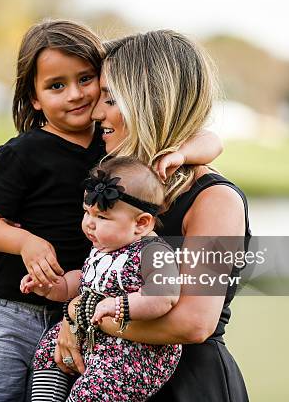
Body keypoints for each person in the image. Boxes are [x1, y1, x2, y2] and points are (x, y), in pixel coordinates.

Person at [0, 19, 222, 402]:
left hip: (115, 341)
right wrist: (20, 241)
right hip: (13, 304)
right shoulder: (32, 152)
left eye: (96, 88)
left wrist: (79, 314)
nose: (86, 104)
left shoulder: (128, 166)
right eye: (57, 86)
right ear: (34, 98)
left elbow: (209, 138)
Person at [53, 30, 250, 402]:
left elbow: (194, 322)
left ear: (150, 103)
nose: (97, 114)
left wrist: (81, 315)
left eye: (110, 99)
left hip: (185, 388)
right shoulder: (117, 183)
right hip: (106, 374)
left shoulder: (215, 199)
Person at [23, 157, 182, 402]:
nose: (89, 224)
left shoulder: (153, 251)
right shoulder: (105, 247)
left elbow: (165, 296)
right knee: (47, 349)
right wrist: (54, 286)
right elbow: (85, 281)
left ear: (141, 223)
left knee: (90, 393)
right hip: (97, 340)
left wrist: (118, 305)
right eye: (87, 213)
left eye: (102, 218)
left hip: (134, 353)